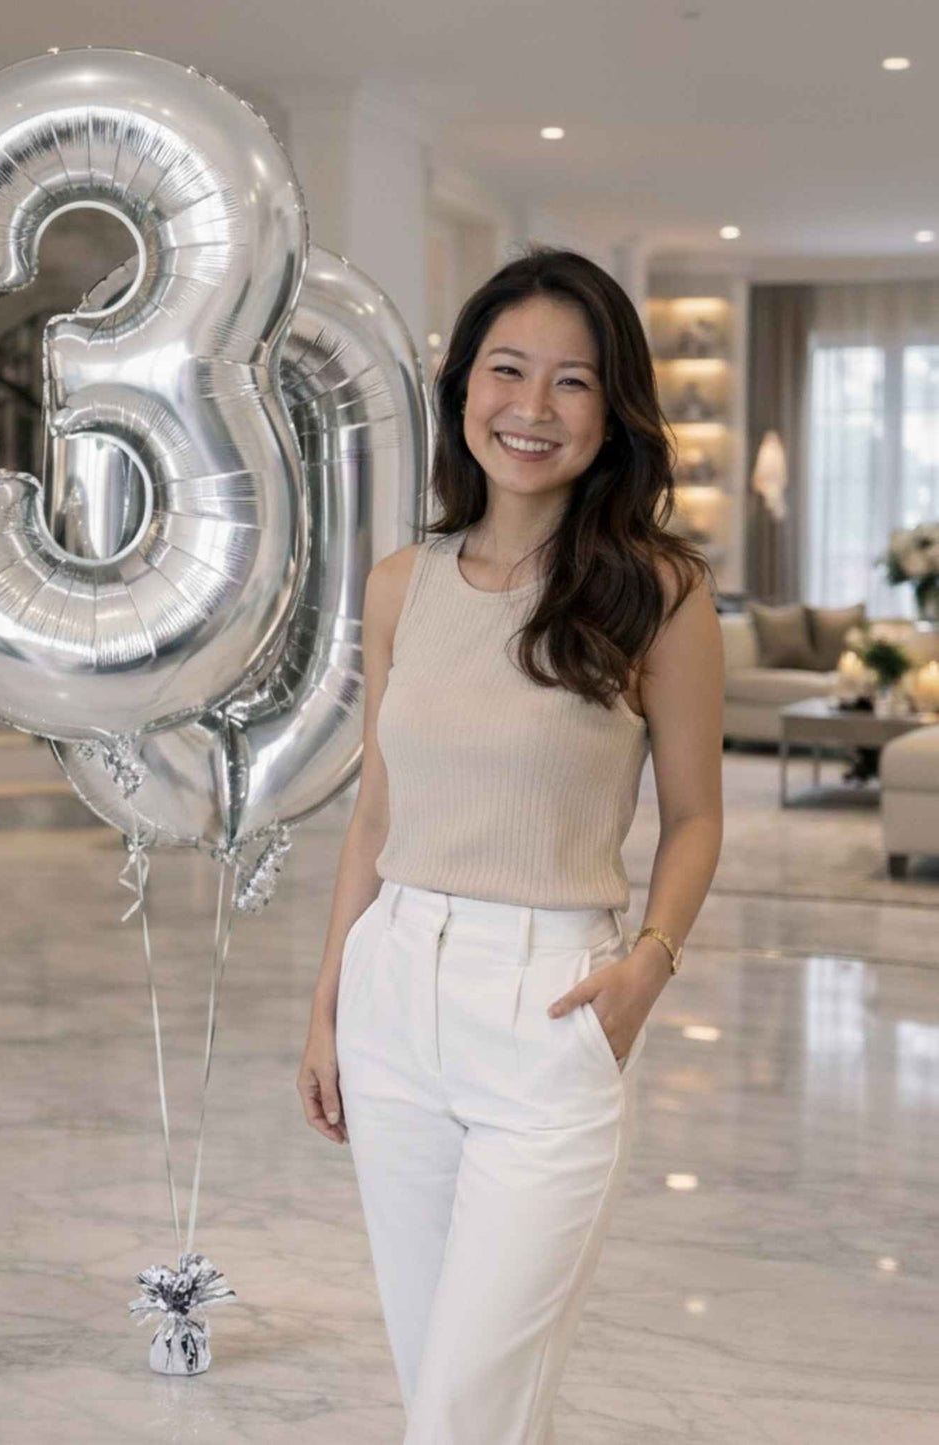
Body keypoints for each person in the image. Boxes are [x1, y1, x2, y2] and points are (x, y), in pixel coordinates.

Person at [296, 246, 725, 1444]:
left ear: (613, 409)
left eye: (572, 381)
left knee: (467, 1406)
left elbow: (695, 815)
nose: (531, 409)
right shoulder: (401, 584)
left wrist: (646, 963)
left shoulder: (657, 591)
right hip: (394, 998)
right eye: (506, 369)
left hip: (550, 1003)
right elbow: (376, 816)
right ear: (462, 387)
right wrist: (330, 1004)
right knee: (442, 1381)